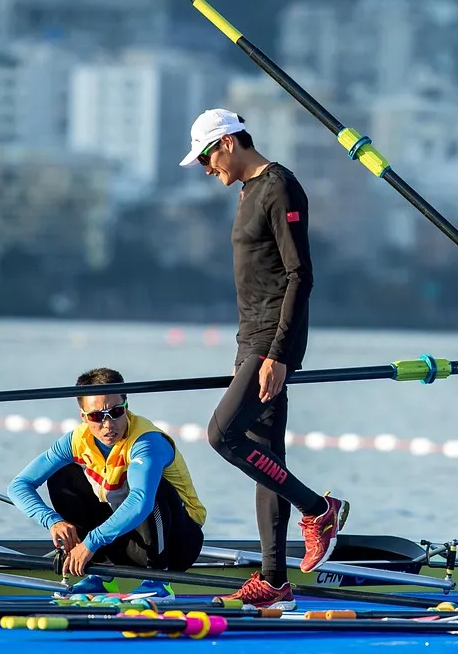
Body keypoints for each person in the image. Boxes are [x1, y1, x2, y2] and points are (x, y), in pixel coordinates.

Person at [180, 108, 347, 611]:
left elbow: (300, 275)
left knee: (222, 435)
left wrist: (275, 355)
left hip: (273, 340)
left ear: (228, 143)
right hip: (250, 337)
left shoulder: (279, 187)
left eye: (207, 157)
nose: (207, 168)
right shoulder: (247, 191)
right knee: (263, 452)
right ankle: (274, 579)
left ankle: (319, 509)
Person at [7, 368, 206, 604]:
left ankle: (159, 580)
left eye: (116, 412)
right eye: (96, 417)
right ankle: (101, 573)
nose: (108, 424)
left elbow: (141, 502)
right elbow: (19, 485)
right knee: (63, 474)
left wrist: (90, 542)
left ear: (126, 407)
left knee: (150, 488)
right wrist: (52, 521)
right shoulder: (74, 441)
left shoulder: (147, 441)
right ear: (83, 416)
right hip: (125, 541)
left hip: (177, 544)